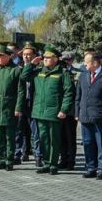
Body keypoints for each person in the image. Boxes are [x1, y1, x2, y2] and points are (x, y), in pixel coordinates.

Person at [30, 46, 74, 175]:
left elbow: (69, 92)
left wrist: (64, 109)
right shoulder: (38, 71)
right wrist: (31, 64)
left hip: (54, 112)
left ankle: (53, 164)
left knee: (54, 139)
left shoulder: (63, 73)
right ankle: (47, 163)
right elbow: (24, 76)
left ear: (55, 59)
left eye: (48, 58)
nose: (45, 60)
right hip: (40, 111)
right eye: (44, 57)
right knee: (43, 138)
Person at [76, 51, 102, 179]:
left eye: (86, 62)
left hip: (101, 116)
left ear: (94, 63)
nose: (84, 64)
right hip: (85, 115)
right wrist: (77, 112)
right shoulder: (83, 76)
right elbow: (78, 96)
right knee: (88, 143)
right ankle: (91, 167)